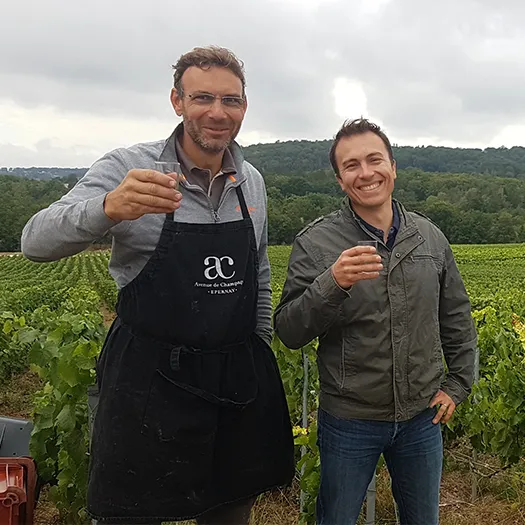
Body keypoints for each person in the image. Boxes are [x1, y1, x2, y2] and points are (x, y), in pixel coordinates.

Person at [21, 46, 294, 525]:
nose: (217, 112)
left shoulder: (251, 180)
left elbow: (260, 271)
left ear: (244, 107)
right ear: (177, 101)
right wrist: (108, 207)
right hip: (148, 380)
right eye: (202, 97)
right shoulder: (129, 167)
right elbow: (34, 242)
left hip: (231, 376)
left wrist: (258, 348)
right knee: (132, 513)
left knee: (230, 509)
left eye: (230, 100)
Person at [274, 118, 477, 525]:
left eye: (374, 159)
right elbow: (289, 330)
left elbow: (456, 317)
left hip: (422, 418)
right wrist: (332, 282)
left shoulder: (429, 238)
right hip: (349, 420)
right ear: (339, 179)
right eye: (351, 165)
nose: (365, 173)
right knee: (336, 518)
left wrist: (457, 385)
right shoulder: (316, 243)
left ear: (393, 167)